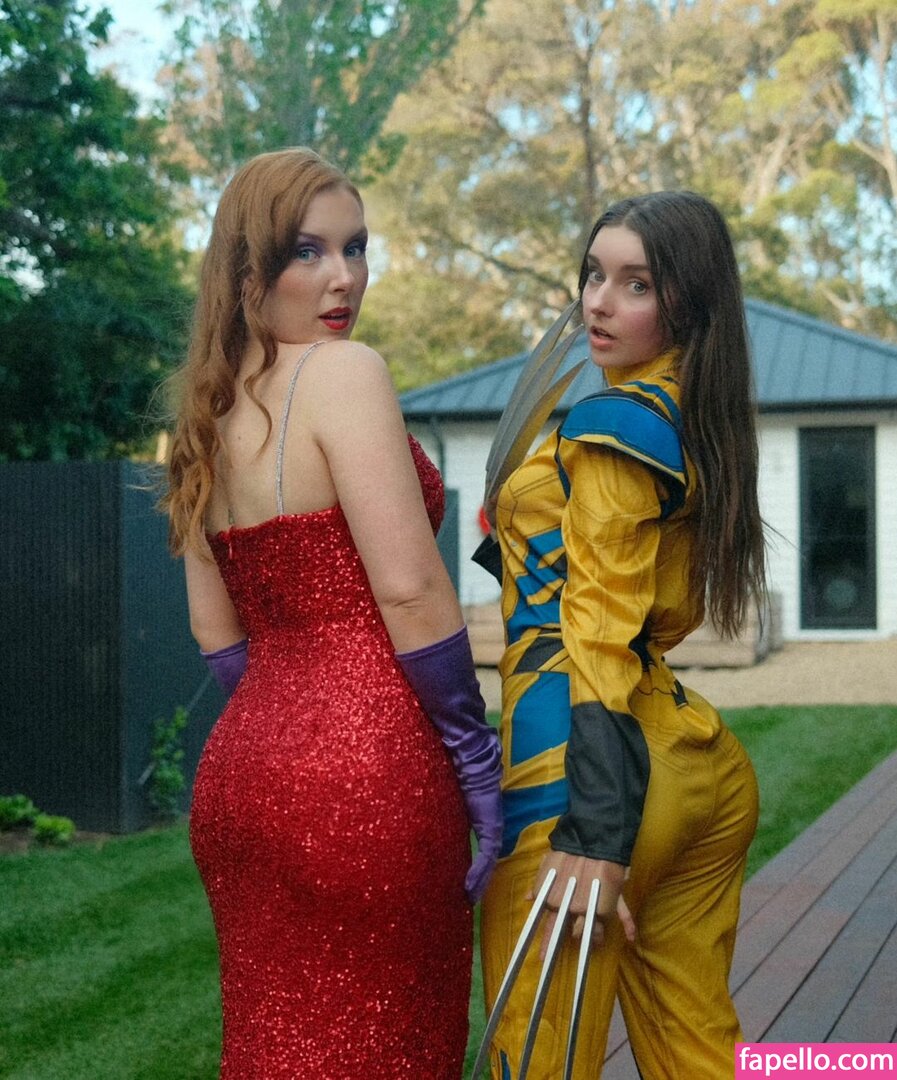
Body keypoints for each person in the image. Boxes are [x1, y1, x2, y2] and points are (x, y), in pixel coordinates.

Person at [160, 147, 502, 1079]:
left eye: (356, 247)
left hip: (243, 782)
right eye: (307, 251)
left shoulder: (202, 413)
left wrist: (286, 733)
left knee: (275, 1046)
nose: (344, 276)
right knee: (390, 1046)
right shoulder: (344, 373)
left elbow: (214, 634)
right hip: (371, 772)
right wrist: (473, 755)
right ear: (246, 269)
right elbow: (409, 587)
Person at [479, 191, 766, 1078]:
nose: (598, 303)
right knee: (699, 1053)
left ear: (688, 302)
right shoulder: (695, 414)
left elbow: (599, 627)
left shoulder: (615, 424)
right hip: (695, 763)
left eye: (636, 285)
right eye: (593, 275)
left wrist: (594, 832)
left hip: (576, 770)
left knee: (538, 1059)